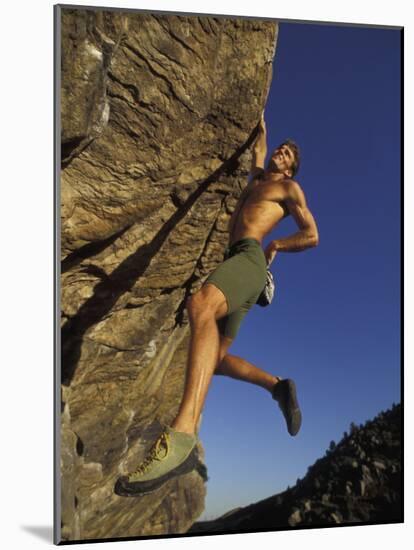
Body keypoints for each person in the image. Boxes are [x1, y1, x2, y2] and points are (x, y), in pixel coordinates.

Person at [115, 111, 319, 496]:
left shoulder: (290, 190)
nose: (282, 152)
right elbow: (260, 145)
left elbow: (312, 234)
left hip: (249, 258)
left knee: (200, 306)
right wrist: (262, 119)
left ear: (293, 169)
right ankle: (277, 387)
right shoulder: (259, 179)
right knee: (214, 359)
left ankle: (183, 433)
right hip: (236, 263)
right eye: (282, 147)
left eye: (290, 153)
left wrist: (277, 244)